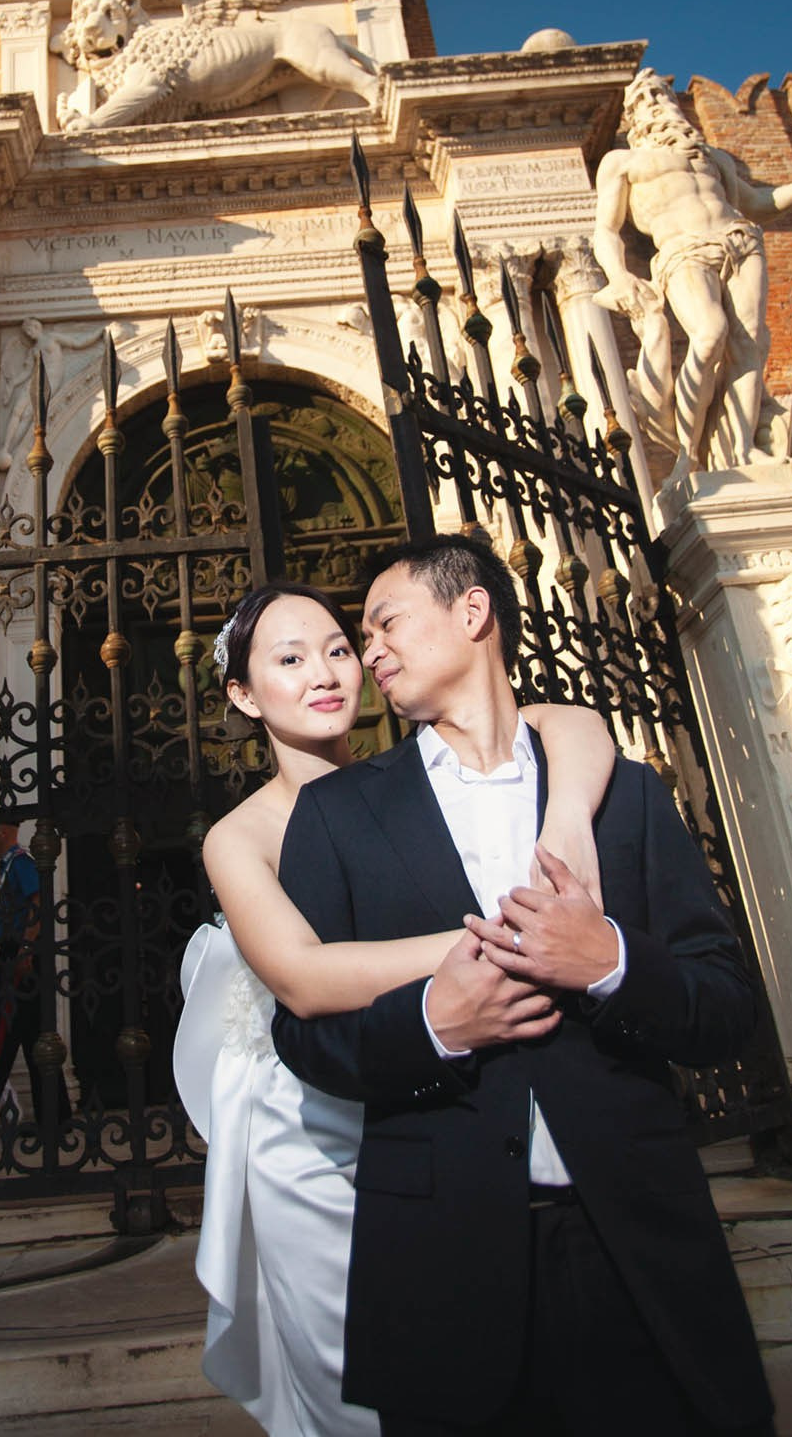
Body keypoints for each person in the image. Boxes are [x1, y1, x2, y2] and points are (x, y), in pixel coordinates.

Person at [271, 537, 772, 1437]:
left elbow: (726, 1005)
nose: (369, 652)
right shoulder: (339, 816)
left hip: (639, 1243)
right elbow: (304, 1039)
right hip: (443, 1262)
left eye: (385, 624)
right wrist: (436, 1024)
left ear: (473, 614)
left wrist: (610, 959)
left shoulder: (623, 796)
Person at [174, 580, 616, 1437]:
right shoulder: (240, 835)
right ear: (241, 693)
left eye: (340, 649)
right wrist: (514, 935)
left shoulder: (416, 775)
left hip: (442, 1097)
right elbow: (303, 978)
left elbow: (573, 725)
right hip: (309, 1125)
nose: (326, 673)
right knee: (361, 1385)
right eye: (291, 660)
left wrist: (565, 822)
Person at [592, 67, 792, 475]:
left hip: (740, 240)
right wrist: (619, 276)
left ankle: (739, 452)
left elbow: (756, 203)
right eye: (644, 99)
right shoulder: (624, 161)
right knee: (709, 333)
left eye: (661, 94)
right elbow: (606, 231)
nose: (656, 104)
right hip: (684, 250)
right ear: (632, 116)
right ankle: (688, 451)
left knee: (749, 345)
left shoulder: (712, 157)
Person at [0, 821, 71, 1127]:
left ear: (2, 831)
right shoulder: (10, 865)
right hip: (18, 951)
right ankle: (54, 1117)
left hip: (20, 957)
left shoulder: (20, 863)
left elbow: (39, 903)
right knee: (35, 1039)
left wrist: (25, 949)